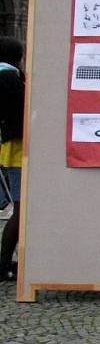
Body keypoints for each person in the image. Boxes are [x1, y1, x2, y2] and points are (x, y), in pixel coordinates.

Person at [0, 37, 25, 281]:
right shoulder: (10, 79)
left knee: (21, 208)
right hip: (19, 150)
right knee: (21, 209)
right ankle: (4, 263)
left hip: (12, 148)